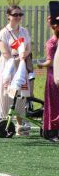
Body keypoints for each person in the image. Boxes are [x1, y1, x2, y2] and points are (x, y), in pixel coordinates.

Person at [0, 5, 32, 135]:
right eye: (15, 14)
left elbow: (29, 47)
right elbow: (4, 51)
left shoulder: (24, 31)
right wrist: (14, 58)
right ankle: (3, 123)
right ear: (8, 16)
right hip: (8, 67)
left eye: (20, 14)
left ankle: (20, 125)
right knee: (6, 94)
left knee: (20, 95)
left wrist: (24, 55)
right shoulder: (4, 32)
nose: (18, 17)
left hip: (21, 66)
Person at [37, 14, 59, 142]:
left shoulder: (51, 42)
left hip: (53, 75)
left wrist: (40, 64)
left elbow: (50, 62)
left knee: (54, 104)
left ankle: (53, 131)